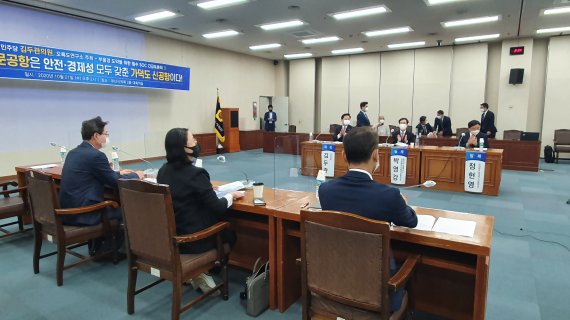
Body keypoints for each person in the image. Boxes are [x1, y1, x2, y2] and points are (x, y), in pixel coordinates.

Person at [318, 127, 418, 313]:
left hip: (334, 281)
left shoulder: (325, 190)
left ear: (343, 156)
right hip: (377, 292)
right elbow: (411, 221)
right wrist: (402, 203)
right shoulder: (389, 195)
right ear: (375, 155)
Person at [156, 128, 244, 294]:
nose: (197, 143)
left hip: (173, 238)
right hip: (194, 241)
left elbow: (183, 190)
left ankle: (197, 273)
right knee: (229, 235)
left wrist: (206, 188)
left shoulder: (163, 171)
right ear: (184, 148)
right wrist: (231, 195)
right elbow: (218, 208)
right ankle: (202, 270)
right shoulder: (196, 174)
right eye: (193, 141)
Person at [59, 116, 144, 227]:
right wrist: (136, 175)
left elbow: (100, 174)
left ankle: (102, 244)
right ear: (96, 136)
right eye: (106, 134)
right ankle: (113, 244)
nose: (107, 138)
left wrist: (119, 173)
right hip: (85, 214)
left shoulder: (73, 153)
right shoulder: (96, 155)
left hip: (67, 213)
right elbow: (114, 182)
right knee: (130, 210)